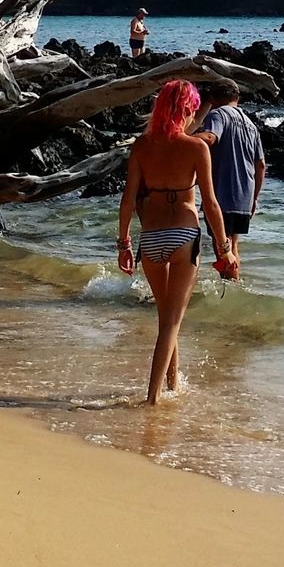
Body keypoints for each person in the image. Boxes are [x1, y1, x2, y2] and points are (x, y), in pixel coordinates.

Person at [116, 80, 239, 405]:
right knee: (172, 322)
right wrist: (225, 248)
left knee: (166, 317)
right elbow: (211, 204)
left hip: (151, 238)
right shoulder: (197, 148)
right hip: (185, 235)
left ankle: (173, 385)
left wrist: (124, 243)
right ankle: (153, 397)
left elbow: (127, 200)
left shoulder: (142, 146)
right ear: (187, 110)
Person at [194, 80, 265, 261]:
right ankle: (233, 284)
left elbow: (210, 137)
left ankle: (228, 284)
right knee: (233, 245)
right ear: (236, 98)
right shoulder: (251, 125)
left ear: (213, 98)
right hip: (245, 196)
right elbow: (261, 165)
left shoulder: (218, 114)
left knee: (222, 247)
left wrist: (180, 138)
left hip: (223, 194)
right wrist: (255, 198)